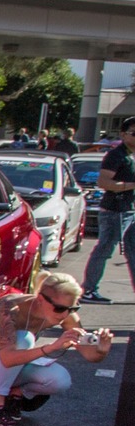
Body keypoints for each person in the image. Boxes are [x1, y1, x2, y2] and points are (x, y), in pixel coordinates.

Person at [0, 273, 115, 426]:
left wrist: (101, 350)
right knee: (24, 338)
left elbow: (89, 355)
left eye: (73, 308)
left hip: (4, 367)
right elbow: (7, 359)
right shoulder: (11, 307)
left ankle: (14, 396)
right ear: (40, 299)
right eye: (60, 309)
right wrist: (52, 347)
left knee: (60, 380)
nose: (66, 314)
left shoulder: (66, 315)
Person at [80, 115, 135, 305]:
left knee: (133, 252)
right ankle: (88, 290)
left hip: (130, 209)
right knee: (104, 249)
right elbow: (104, 182)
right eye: (133, 133)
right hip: (115, 210)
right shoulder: (116, 155)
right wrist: (130, 185)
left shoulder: (131, 155)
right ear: (123, 134)